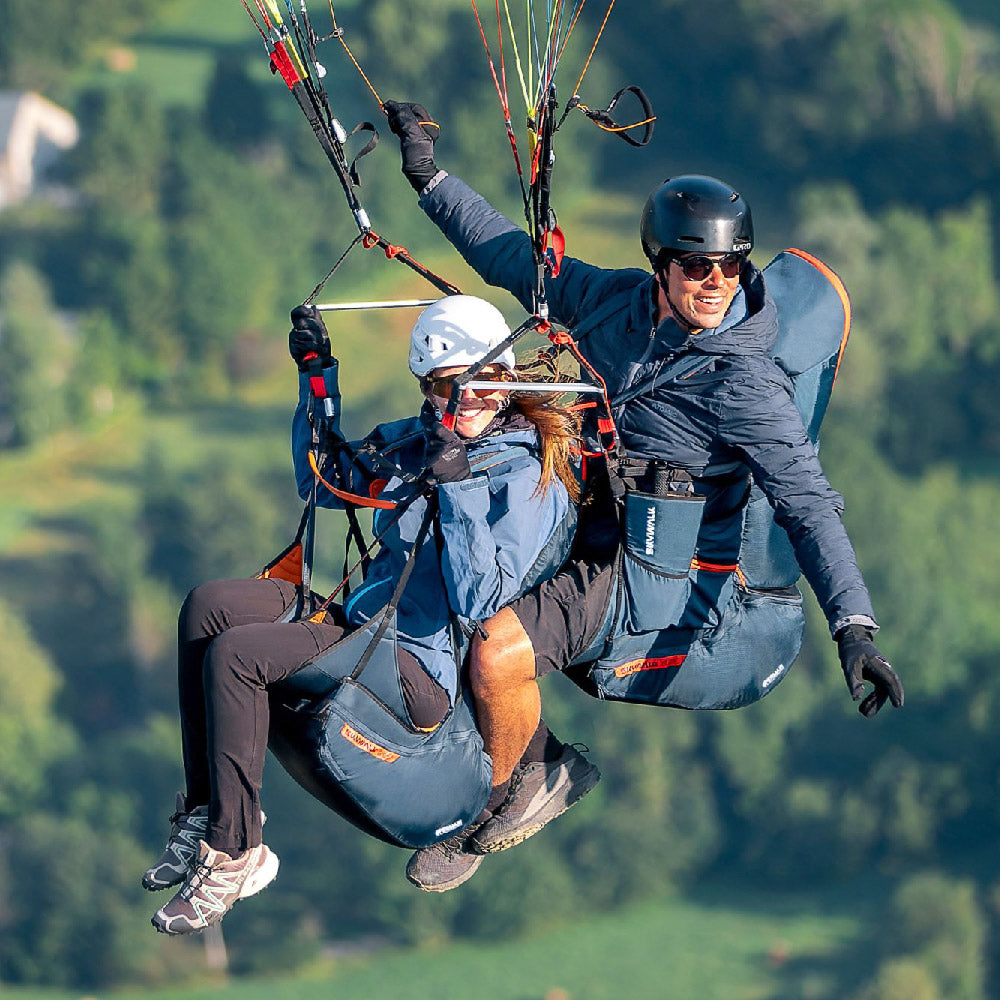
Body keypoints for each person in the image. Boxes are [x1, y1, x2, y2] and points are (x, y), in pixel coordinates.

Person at [384, 100, 905, 890]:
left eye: (731, 267)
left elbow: (807, 502)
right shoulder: (613, 303)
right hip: (579, 515)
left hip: (654, 567)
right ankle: (508, 752)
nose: (716, 284)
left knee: (496, 648)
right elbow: (509, 256)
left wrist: (856, 628)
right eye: (698, 267)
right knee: (435, 569)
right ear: (661, 266)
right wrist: (429, 176)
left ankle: (518, 790)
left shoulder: (744, 381)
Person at [142, 294, 588, 932]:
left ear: (499, 383)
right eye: (437, 389)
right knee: (209, 609)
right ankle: (209, 810)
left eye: (464, 388)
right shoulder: (424, 440)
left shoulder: (525, 478)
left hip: (420, 670)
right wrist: (317, 378)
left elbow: (479, 599)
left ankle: (235, 852)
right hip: (362, 625)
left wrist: (456, 485)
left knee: (239, 658)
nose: (450, 404)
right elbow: (323, 481)